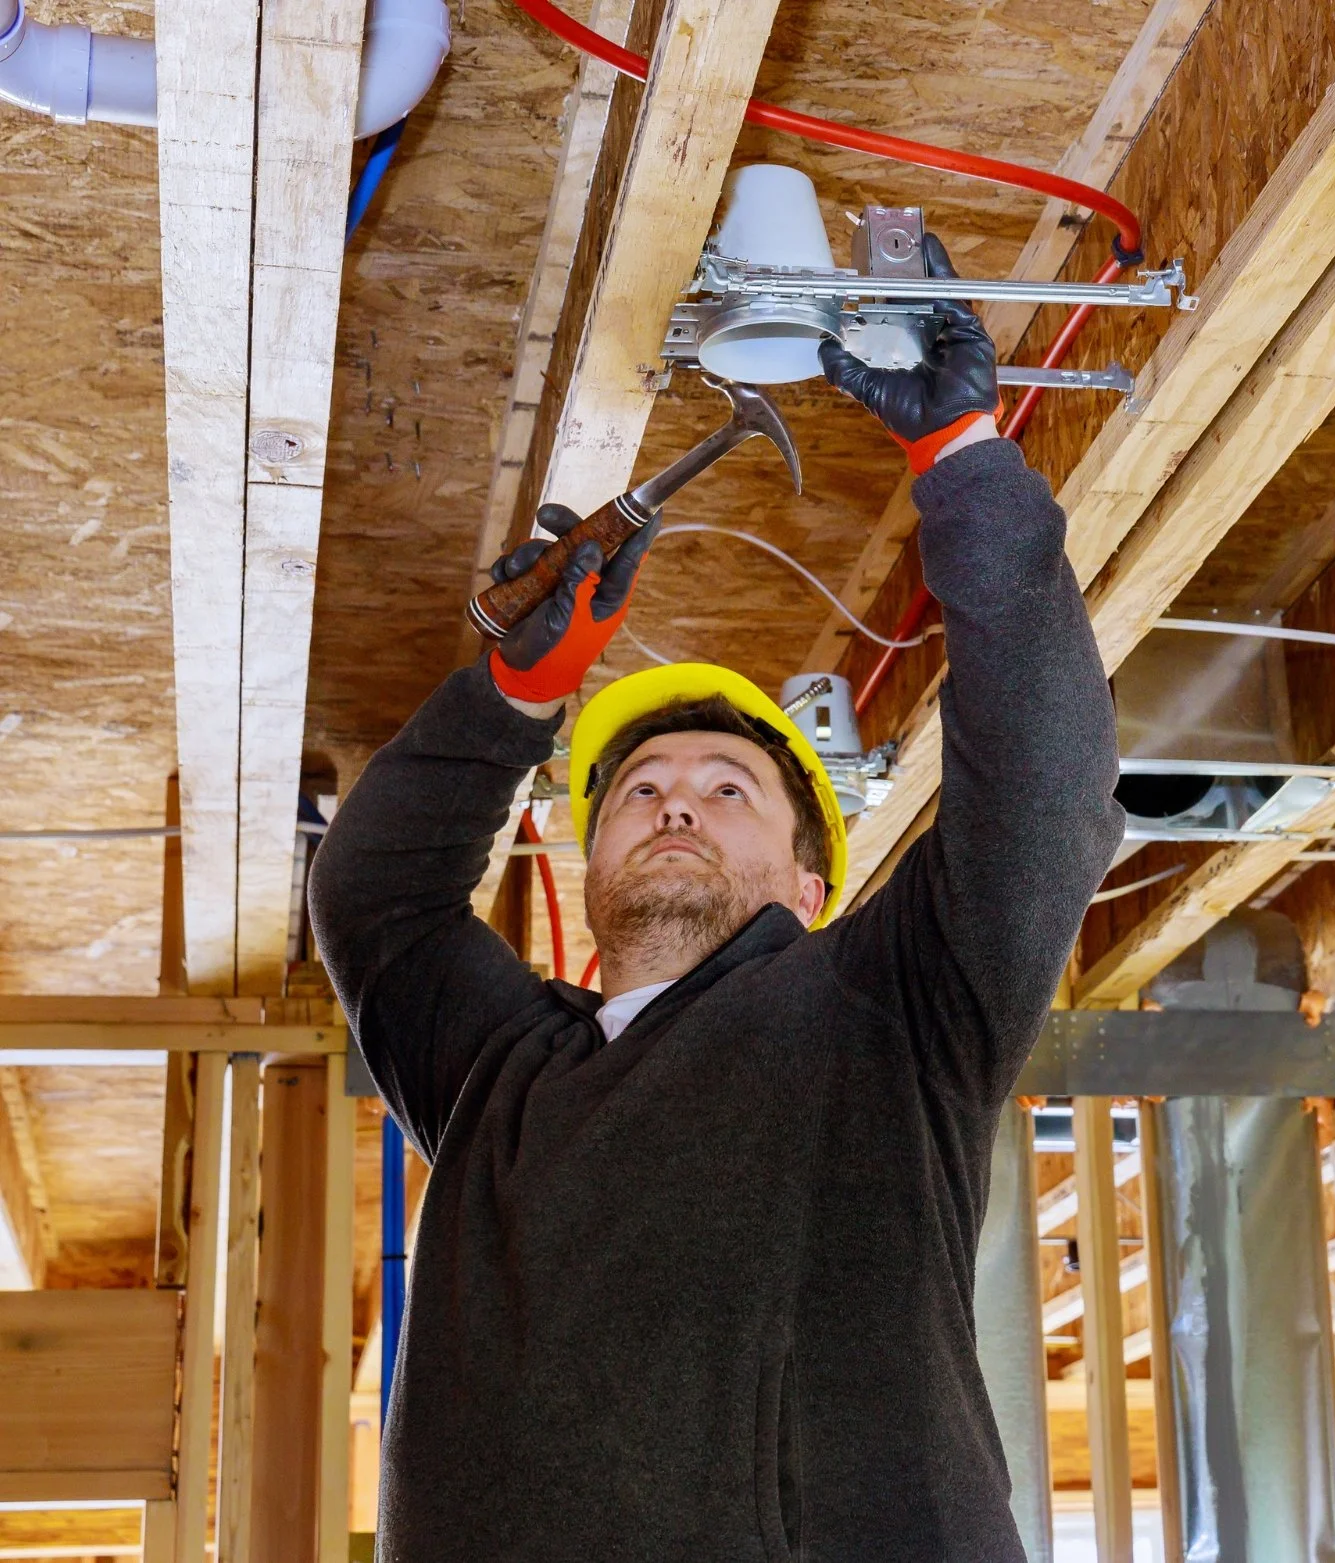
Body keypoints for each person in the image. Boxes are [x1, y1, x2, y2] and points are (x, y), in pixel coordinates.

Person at [309, 235, 1123, 1562]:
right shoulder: (494, 1070)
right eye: (639, 790)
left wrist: (964, 460)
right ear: (587, 871)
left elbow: (1041, 778)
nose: (675, 798)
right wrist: (517, 690)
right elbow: (375, 892)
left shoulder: (891, 1012)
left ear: (813, 881)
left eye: (728, 787)